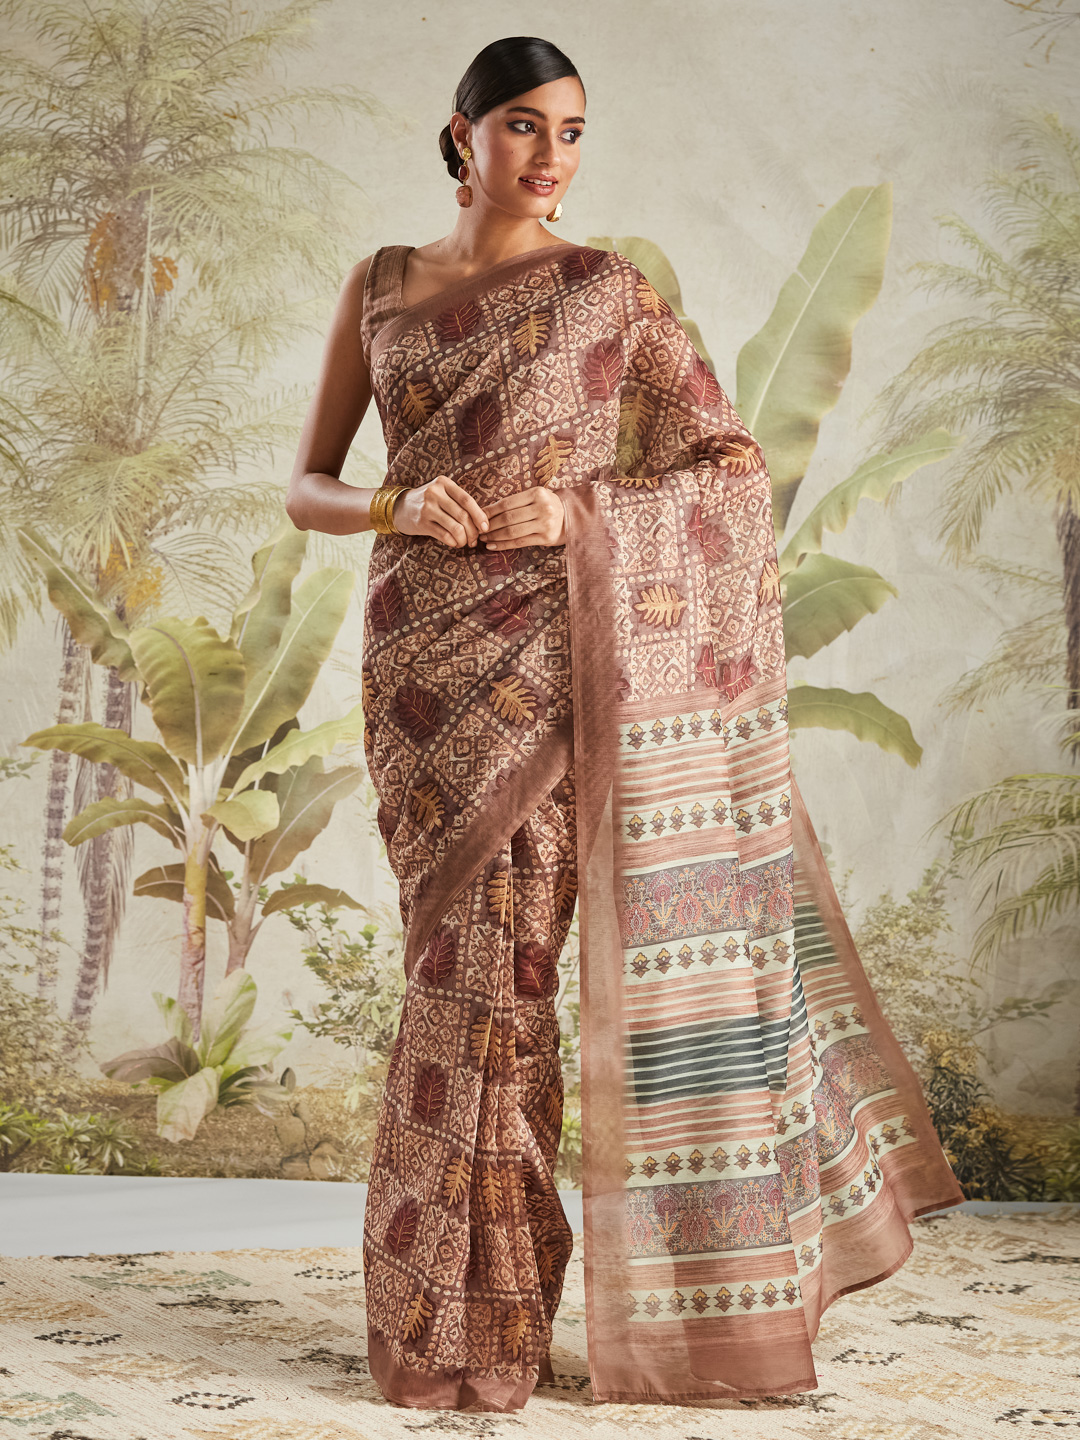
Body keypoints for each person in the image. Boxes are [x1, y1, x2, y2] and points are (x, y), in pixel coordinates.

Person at [286, 34, 964, 1415]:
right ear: (461, 133)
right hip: (420, 671)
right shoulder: (381, 286)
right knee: (449, 972)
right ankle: (445, 1323)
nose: (552, 157)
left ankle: (489, 1325)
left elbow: (730, 472)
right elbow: (308, 484)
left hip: (553, 662)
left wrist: (579, 512)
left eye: (575, 131)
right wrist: (396, 504)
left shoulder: (605, 292)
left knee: (506, 977)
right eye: (524, 127)